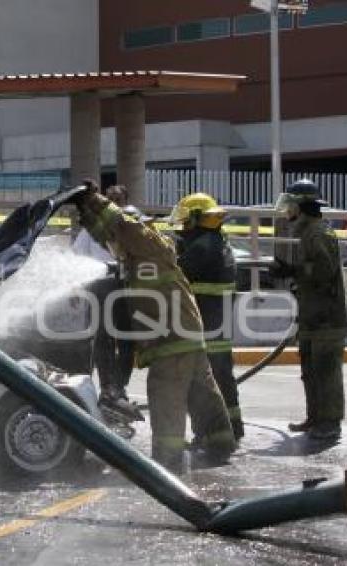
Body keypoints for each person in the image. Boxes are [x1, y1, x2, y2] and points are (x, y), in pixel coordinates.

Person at [73, 180, 236, 472]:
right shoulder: (138, 253)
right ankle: (219, 442)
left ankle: (167, 460)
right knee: (202, 392)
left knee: (165, 390)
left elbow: (122, 225)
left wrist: (95, 199)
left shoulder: (149, 242)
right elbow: (110, 237)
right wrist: (85, 213)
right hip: (185, 331)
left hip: (172, 336)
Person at [272, 179, 347, 441]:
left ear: (302, 206)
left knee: (326, 371)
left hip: (327, 318)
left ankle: (330, 423)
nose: (288, 211)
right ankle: (315, 417)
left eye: (291, 206)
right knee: (310, 370)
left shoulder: (318, 233)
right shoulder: (306, 232)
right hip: (312, 316)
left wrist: (293, 271)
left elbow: (324, 272)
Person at [170, 193, 244, 440]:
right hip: (216, 322)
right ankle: (233, 427)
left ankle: (212, 433)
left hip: (206, 321)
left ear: (196, 219)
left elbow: (178, 273)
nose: (182, 228)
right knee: (222, 376)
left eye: (185, 222)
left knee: (204, 381)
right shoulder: (217, 240)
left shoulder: (202, 245)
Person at [72, 184, 141, 423]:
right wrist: (76, 289)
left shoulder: (132, 224)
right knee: (102, 339)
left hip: (126, 288)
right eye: (109, 198)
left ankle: (119, 387)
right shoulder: (91, 231)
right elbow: (77, 257)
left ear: (124, 201)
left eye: (117, 199)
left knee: (127, 341)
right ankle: (108, 388)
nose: (112, 202)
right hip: (99, 287)